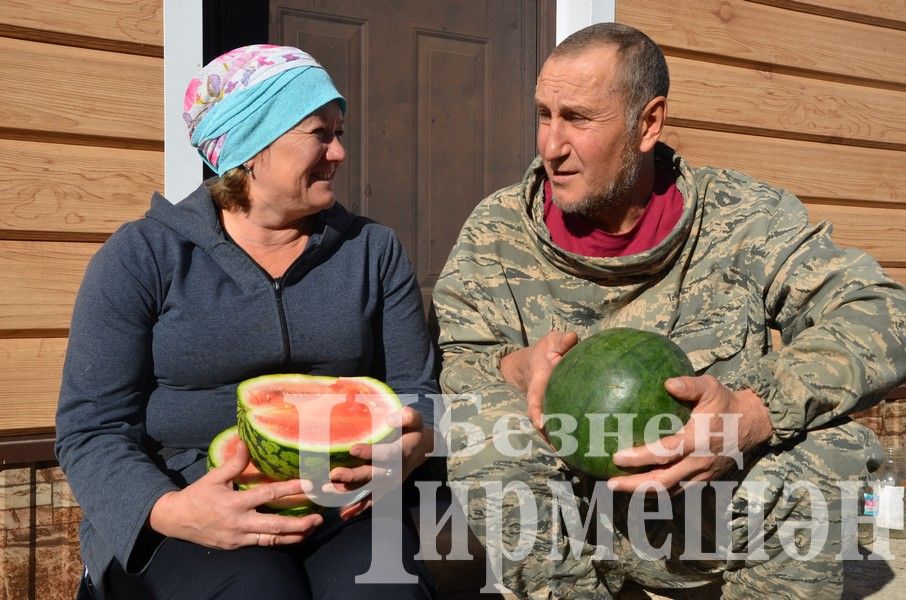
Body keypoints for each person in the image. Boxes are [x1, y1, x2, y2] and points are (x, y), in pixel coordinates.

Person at [432, 22, 906, 599]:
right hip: (574, 521)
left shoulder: (745, 219)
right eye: (543, 114)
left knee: (829, 447)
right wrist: (518, 367)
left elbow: (883, 312)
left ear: (647, 124)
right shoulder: (498, 233)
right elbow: (461, 363)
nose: (551, 146)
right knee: (479, 435)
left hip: (708, 510)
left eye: (578, 119)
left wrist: (754, 411)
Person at [56, 44, 438, 600]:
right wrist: (172, 510)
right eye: (319, 133)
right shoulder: (142, 256)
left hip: (343, 504)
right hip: (186, 501)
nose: (340, 152)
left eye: (339, 131)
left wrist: (411, 445)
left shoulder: (372, 251)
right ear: (250, 148)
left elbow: (415, 389)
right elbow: (91, 429)